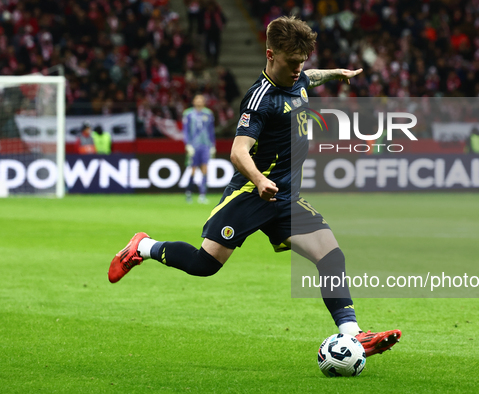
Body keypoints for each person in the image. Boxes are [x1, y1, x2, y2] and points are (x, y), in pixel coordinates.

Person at [108, 16, 401, 357]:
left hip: (286, 198)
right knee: (205, 265)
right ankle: (141, 247)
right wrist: (260, 180)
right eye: (292, 63)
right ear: (270, 54)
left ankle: (354, 335)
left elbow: (311, 77)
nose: (298, 70)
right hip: (251, 195)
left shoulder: (299, 78)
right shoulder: (259, 99)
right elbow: (238, 151)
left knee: (331, 256)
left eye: (301, 62)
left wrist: (338, 74)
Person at [183, 94, 216, 204]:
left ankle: (202, 194)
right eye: (197, 99)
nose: (199, 101)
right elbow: (186, 130)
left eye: (201, 100)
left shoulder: (208, 113)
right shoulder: (188, 114)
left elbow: (211, 131)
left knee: (205, 169)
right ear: (193, 101)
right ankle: (189, 193)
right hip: (194, 145)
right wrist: (187, 144)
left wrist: (213, 145)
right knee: (192, 169)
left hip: (205, 145)